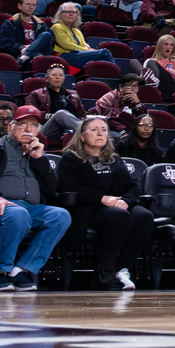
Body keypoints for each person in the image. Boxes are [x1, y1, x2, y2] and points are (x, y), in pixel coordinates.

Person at [0, 107, 71, 291]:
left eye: (34, 125)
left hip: (31, 208)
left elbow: (52, 188)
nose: (28, 129)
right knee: (18, 213)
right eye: (22, 124)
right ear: (10, 127)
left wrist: (40, 159)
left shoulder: (38, 152)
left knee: (61, 215)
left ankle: (22, 269)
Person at [60, 114, 156, 290]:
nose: (100, 133)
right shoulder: (71, 158)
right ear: (82, 136)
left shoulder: (114, 159)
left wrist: (126, 201)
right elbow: (69, 187)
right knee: (119, 217)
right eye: (94, 130)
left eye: (104, 130)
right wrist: (102, 199)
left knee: (145, 216)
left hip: (118, 204)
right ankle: (106, 272)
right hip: (88, 208)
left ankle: (121, 267)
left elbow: (132, 185)